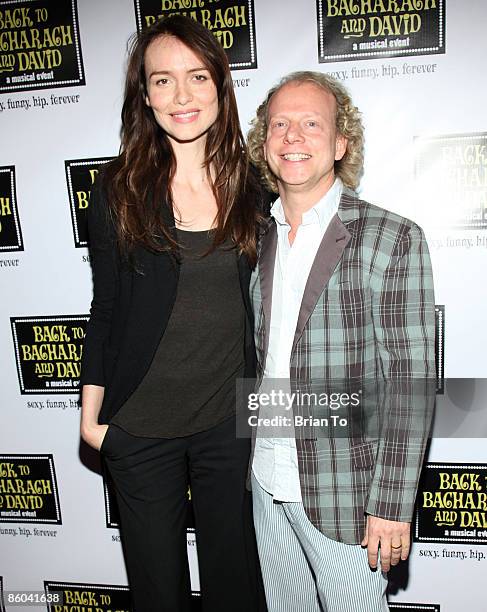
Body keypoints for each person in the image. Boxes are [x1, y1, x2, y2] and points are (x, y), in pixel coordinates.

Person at [79, 15, 266, 612]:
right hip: (138, 425)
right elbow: (105, 308)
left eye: (196, 77)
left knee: (235, 586)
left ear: (220, 86)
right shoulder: (118, 188)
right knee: (158, 593)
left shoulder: (254, 183)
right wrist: (93, 417)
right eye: (163, 81)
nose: (181, 96)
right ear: (146, 94)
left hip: (229, 423)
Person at [246, 71, 436, 611]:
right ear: (265, 144)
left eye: (311, 123)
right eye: (279, 124)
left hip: (348, 495)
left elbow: (411, 380)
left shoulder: (393, 237)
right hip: (264, 481)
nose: (293, 137)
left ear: (339, 143)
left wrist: (393, 504)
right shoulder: (252, 238)